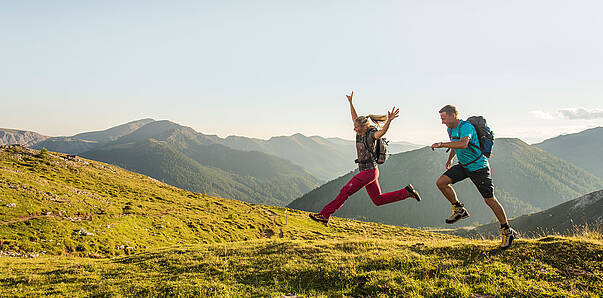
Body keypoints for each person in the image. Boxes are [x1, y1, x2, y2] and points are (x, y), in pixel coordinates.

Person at [309, 91, 421, 226]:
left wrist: (389, 121)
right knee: (378, 200)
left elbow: (382, 132)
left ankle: (325, 215)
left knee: (345, 191)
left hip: (368, 172)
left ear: (363, 127)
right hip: (370, 171)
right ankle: (406, 192)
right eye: (354, 126)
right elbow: (354, 117)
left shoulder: (370, 134)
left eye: (356, 126)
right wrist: (350, 103)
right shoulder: (359, 133)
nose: (354, 128)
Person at [431, 105, 517, 249]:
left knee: (490, 200)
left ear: (453, 115)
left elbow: (463, 143)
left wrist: (440, 144)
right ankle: (459, 209)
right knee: (441, 183)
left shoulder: (466, 127)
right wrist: (450, 159)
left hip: (479, 167)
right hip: (464, 165)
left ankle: (507, 230)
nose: (442, 122)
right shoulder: (450, 129)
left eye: (444, 118)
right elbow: (455, 144)